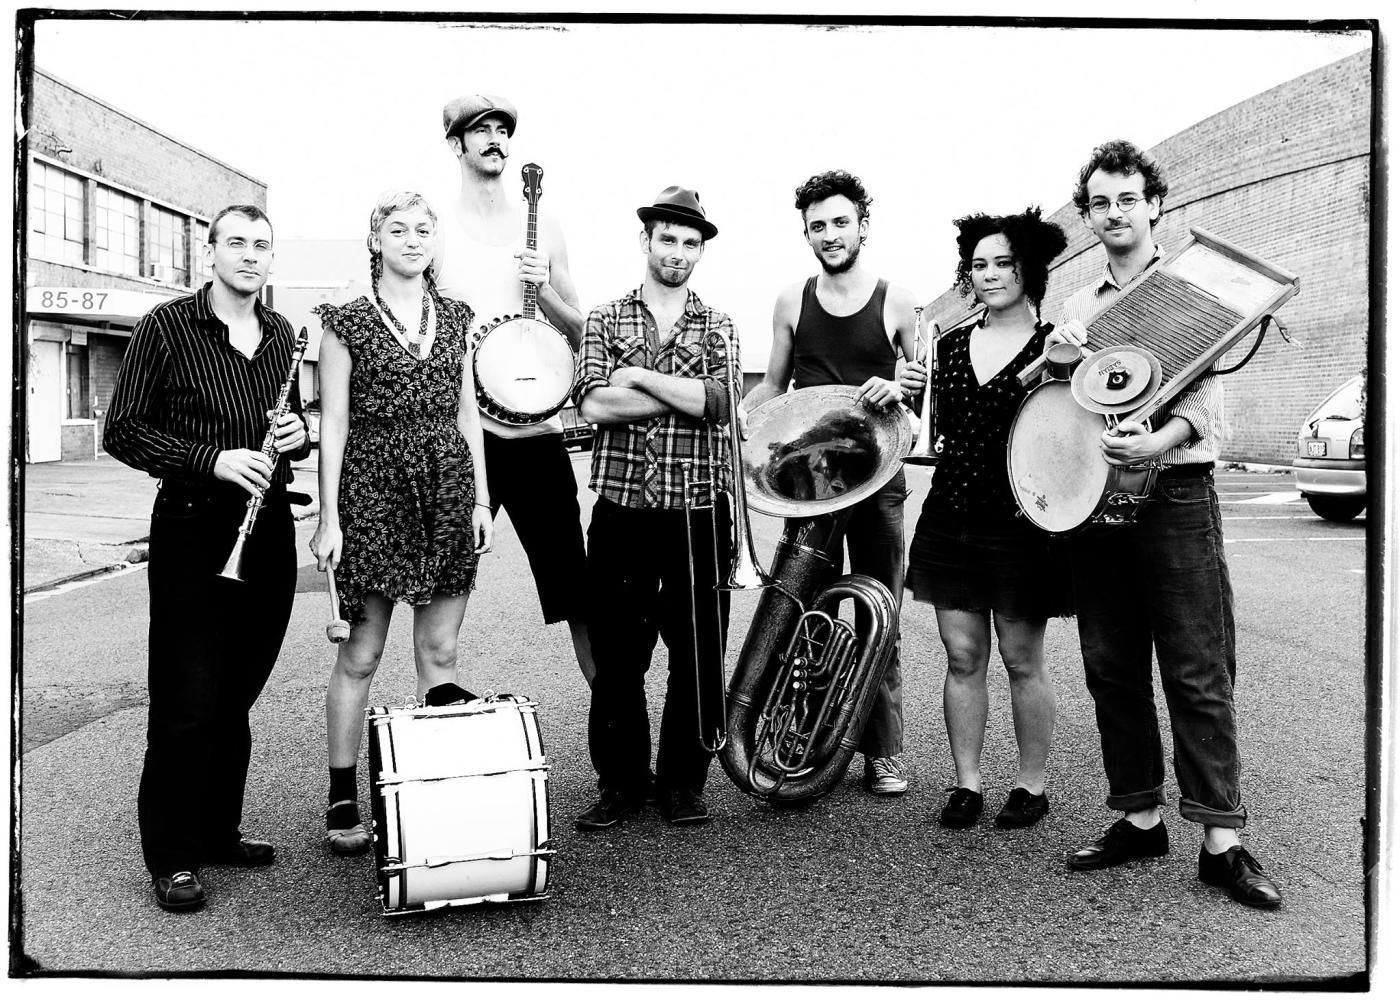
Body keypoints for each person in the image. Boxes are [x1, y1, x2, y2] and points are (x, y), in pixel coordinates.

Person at [1051, 140, 1282, 908]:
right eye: (1101, 203)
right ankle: (1139, 818)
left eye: (1128, 199)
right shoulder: (1078, 308)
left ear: (1154, 205)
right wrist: (1055, 360)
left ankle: (1222, 844)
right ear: (1088, 217)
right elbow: (1065, 403)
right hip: (1100, 499)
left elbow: (1207, 399)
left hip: (1177, 490)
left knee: (1196, 667)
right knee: (1111, 664)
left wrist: (1159, 441)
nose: (1115, 213)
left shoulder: (1191, 286)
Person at [104, 205, 310, 912]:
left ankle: (218, 831)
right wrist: (211, 460)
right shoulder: (166, 326)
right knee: (186, 698)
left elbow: (289, 430)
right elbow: (123, 430)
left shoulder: (281, 334)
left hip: (267, 526)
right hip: (194, 523)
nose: (251, 255)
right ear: (210, 249)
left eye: (262, 245)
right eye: (237, 242)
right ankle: (173, 856)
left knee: (236, 694)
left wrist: (297, 432)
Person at [310, 191, 492, 856]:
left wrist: (480, 500)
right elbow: (334, 423)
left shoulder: (457, 316)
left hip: (446, 490)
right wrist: (329, 517)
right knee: (360, 656)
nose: (413, 240)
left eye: (423, 230)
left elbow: (468, 413)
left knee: (439, 653)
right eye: (398, 229)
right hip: (372, 493)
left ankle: (427, 796)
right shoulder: (347, 322)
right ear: (376, 239)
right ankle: (342, 796)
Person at [743, 169, 922, 796]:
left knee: (880, 613)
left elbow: (919, 397)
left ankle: (883, 752)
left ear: (862, 226)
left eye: (840, 222)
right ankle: (800, 737)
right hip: (810, 482)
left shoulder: (898, 301)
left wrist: (901, 388)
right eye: (817, 226)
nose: (829, 234)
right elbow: (773, 385)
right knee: (802, 612)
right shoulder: (790, 300)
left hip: (879, 477)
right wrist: (740, 424)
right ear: (807, 234)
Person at [573, 186, 737, 829]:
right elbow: (594, 404)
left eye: (691, 243)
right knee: (619, 656)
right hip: (622, 509)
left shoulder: (719, 323)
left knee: (697, 654)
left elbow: (720, 404)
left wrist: (638, 377)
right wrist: (685, 395)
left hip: (698, 512)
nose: (678, 252)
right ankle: (621, 782)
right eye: (668, 239)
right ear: (646, 241)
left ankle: (682, 784)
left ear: (700, 252)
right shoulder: (603, 318)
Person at [905, 208, 1069, 830]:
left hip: (1022, 522)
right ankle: (967, 783)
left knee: (1022, 658)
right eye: (979, 265)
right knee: (962, 655)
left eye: (1004, 263)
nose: (991, 274)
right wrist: (904, 390)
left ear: (1030, 270)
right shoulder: (945, 347)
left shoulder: (1054, 347)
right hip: (951, 516)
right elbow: (923, 428)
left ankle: (1031, 785)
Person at [435, 93, 595, 686]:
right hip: (462, 439)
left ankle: (616, 736)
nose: (494, 139)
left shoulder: (543, 227)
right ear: (456, 144)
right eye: (481, 130)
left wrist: (544, 287)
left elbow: (581, 333)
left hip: (537, 437)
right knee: (444, 598)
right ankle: (437, 720)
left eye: (502, 129)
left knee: (579, 596)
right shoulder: (435, 229)